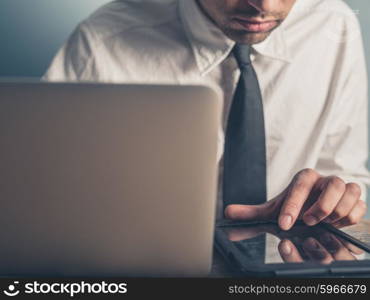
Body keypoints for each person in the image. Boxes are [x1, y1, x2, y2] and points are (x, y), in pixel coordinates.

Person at [44, 0, 369, 230]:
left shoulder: (334, 27)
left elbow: (346, 171)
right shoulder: (102, 40)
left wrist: (334, 198)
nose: (265, 5)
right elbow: (41, 188)